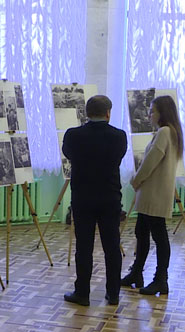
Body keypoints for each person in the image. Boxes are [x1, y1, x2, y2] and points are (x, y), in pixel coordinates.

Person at [62, 95, 127, 306]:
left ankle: (82, 293)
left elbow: (68, 153)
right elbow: (118, 157)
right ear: (108, 113)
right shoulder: (119, 136)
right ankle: (113, 293)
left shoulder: (73, 135)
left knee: (84, 246)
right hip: (110, 197)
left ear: (86, 113)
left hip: (83, 198)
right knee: (112, 245)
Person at [121, 96, 183, 296]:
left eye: (152, 111)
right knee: (142, 232)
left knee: (158, 235)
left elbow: (150, 162)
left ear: (162, 113)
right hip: (151, 193)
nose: (149, 115)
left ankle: (160, 279)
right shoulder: (169, 132)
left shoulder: (165, 132)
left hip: (154, 193)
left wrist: (136, 180)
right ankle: (136, 273)